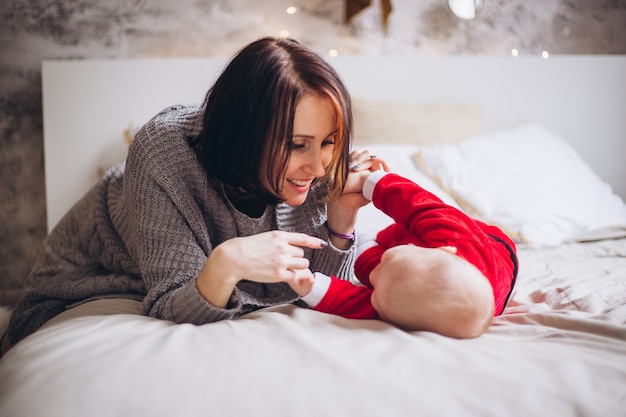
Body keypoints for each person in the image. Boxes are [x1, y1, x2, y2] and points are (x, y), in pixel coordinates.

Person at [1, 37, 378, 355]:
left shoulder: (322, 161)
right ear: (245, 134)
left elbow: (320, 292)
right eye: (297, 146)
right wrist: (227, 263)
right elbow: (171, 303)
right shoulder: (163, 151)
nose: (317, 166)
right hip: (95, 281)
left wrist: (341, 220)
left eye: (329, 142)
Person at [288, 169, 519, 339]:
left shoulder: (398, 306)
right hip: (492, 245)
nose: (375, 278)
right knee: (415, 227)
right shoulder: (454, 237)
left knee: (376, 268)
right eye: (387, 259)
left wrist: (312, 286)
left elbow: (353, 303)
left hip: (419, 264)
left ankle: (368, 244)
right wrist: (371, 182)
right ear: (442, 251)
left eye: (375, 292)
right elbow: (417, 203)